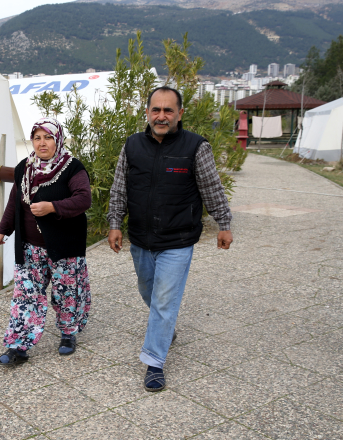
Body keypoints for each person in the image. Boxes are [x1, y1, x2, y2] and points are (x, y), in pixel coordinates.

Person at [107, 86, 233, 391]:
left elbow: (211, 188)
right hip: (140, 238)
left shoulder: (195, 147)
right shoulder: (132, 145)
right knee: (148, 291)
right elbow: (119, 188)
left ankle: (154, 362)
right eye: (156, 110)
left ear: (179, 113)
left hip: (178, 239)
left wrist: (224, 222)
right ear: (147, 112)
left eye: (168, 110)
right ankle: (165, 328)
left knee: (164, 301)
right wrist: (114, 223)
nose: (161, 116)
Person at [0, 117, 92, 365]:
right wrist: (3, 230)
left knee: (66, 292)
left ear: (57, 139)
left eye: (48, 137)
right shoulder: (23, 169)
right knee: (26, 297)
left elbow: (83, 199)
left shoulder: (72, 168)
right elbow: (14, 202)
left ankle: (69, 334)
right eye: (37, 137)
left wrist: (52, 207)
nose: (42, 143)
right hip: (29, 247)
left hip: (64, 246)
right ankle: (18, 346)